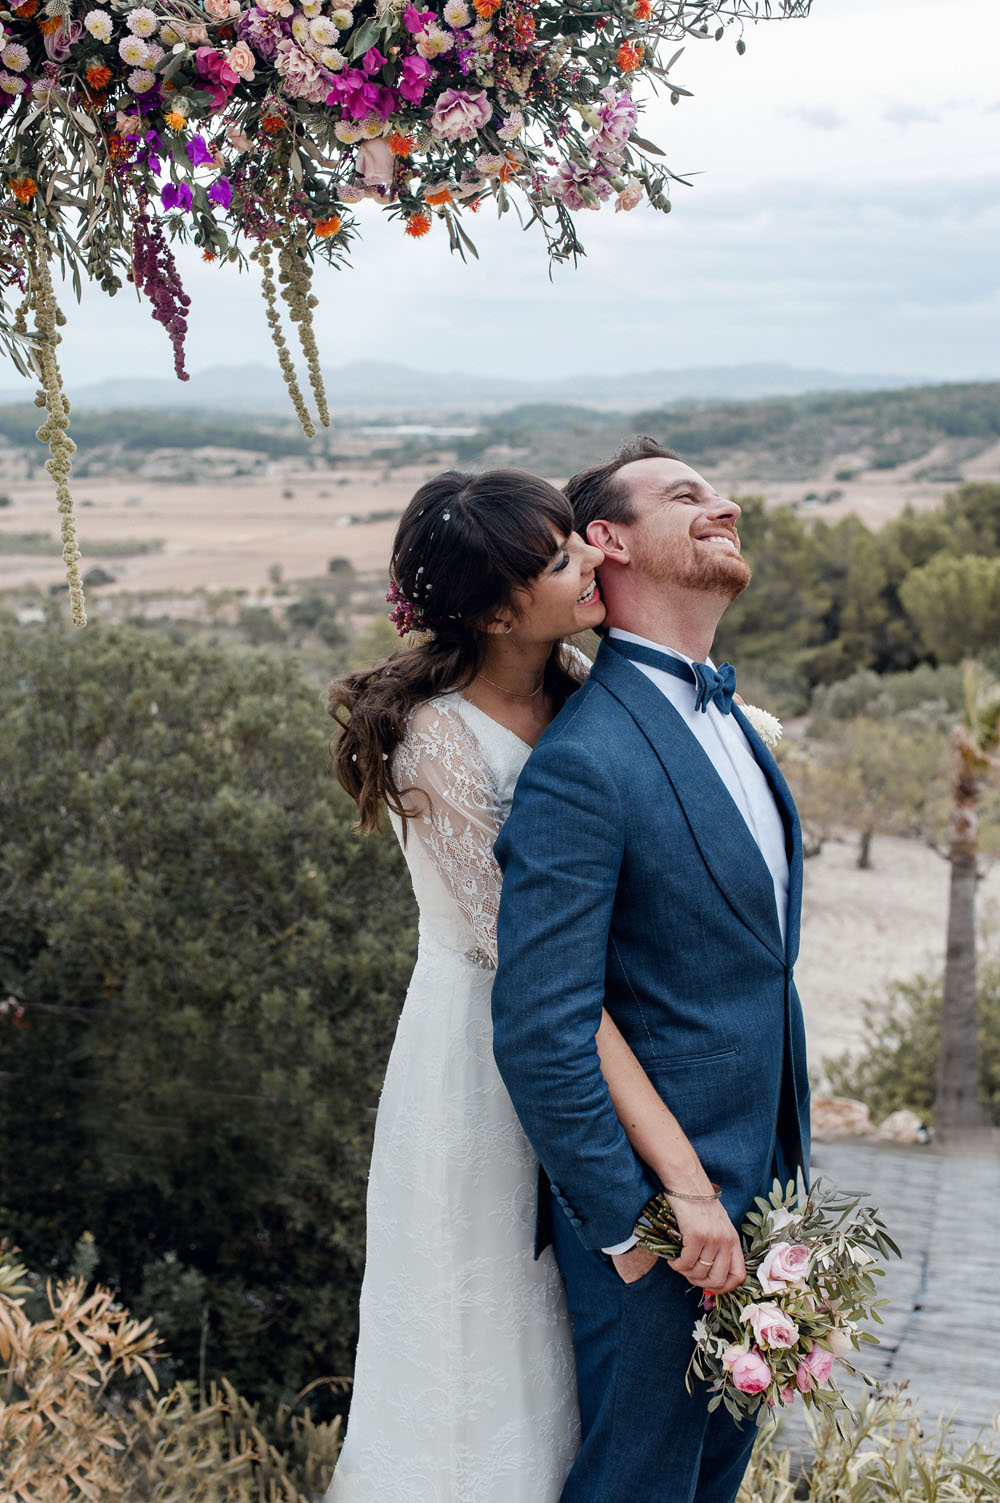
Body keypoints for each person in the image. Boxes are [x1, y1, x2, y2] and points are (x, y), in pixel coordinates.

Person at [325, 467, 712, 1503]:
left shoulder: (579, 682)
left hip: (590, 1038)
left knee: (573, 1336)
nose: (590, 557)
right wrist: (678, 1175)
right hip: (483, 1059)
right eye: (557, 558)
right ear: (497, 610)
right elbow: (537, 977)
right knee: (485, 1324)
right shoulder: (434, 740)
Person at [491, 436, 811, 1503]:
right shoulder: (584, 764)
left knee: (711, 1481)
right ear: (607, 540)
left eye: (718, 490)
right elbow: (542, 1022)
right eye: (686, 496)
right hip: (663, 1236)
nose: (722, 505)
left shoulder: (734, 721)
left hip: (763, 1200)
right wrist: (637, 1229)